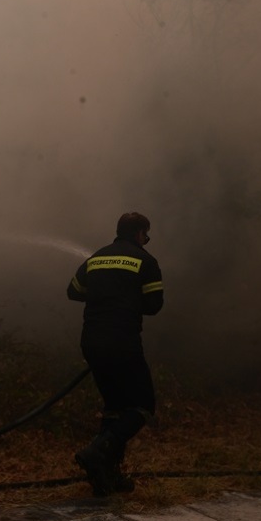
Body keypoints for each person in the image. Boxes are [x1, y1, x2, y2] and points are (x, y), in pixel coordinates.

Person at [67, 212, 164, 496]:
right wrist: (126, 297)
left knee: (114, 408)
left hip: (92, 343)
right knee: (142, 405)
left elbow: (73, 292)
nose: (147, 240)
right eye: (146, 235)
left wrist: (104, 294)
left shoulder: (96, 258)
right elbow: (154, 304)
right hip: (122, 342)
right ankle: (96, 452)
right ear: (138, 233)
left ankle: (106, 477)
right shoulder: (145, 261)